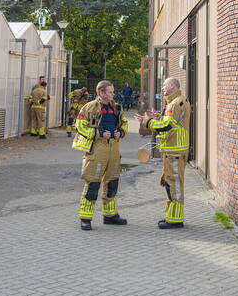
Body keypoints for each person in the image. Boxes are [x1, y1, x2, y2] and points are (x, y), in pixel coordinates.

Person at [73, 80, 128, 230]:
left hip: (114, 148)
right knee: (92, 183)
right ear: (101, 93)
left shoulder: (116, 107)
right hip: (98, 148)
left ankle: (110, 215)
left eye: (112, 92)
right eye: (110, 92)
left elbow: (124, 123)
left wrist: (121, 131)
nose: (112, 94)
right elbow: (79, 125)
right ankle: (85, 218)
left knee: (112, 183)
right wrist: (98, 133)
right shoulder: (89, 107)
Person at [136, 77, 190, 229]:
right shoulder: (176, 101)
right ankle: (171, 216)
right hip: (172, 150)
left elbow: (167, 126)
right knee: (169, 183)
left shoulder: (176, 103)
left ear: (173, 86)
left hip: (175, 151)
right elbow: (171, 121)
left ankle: (176, 220)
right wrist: (157, 117)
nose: (162, 89)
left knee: (174, 184)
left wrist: (146, 122)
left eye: (165, 86)